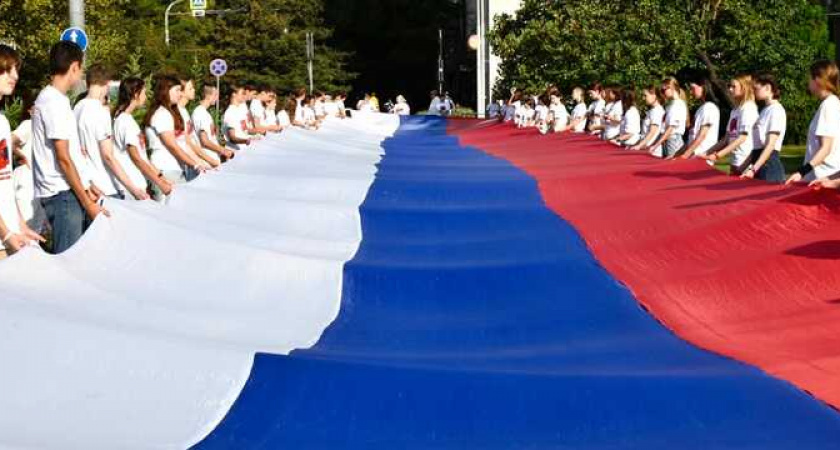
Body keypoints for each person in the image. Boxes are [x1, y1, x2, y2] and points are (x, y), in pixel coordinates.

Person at [32, 41, 107, 254]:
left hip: (66, 192)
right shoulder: (53, 102)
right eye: (81, 69)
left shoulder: (55, 99)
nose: (81, 75)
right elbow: (63, 158)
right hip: (62, 194)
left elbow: (70, 152)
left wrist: (86, 184)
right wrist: (87, 203)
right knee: (68, 261)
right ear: (74, 67)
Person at [75, 65, 148, 201]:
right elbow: (108, 156)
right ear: (107, 84)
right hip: (106, 186)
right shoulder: (100, 112)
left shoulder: (77, 108)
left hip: (88, 185)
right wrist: (133, 189)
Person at [0, 45, 44, 258]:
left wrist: (20, 225)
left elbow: (5, 182)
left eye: (16, 70)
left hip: (10, 236)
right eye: (7, 70)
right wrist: (6, 233)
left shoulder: (2, 122)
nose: (15, 76)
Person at [144, 74, 203, 201]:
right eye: (177, 90)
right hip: (165, 169)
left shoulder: (170, 112)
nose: (180, 94)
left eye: (181, 90)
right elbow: (172, 146)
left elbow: (183, 143)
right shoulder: (161, 114)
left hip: (175, 169)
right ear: (165, 91)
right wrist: (195, 164)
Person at [113, 77, 172, 200]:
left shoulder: (127, 119)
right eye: (144, 93)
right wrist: (160, 183)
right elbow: (136, 157)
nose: (146, 97)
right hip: (132, 189)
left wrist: (161, 177)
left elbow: (142, 156)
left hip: (138, 185)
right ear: (136, 94)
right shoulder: (124, 121)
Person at [792, 60, 840, 186]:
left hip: (822, 178)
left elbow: (826, 148)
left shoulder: (828, 106)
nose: (808, 82)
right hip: (824, 177)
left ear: (818, 80)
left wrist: (802, 172)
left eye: (809, 78)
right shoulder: (832, 103)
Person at [703, 75, 758, 175]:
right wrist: (706, 153)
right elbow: (726, 138)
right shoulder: (735, 110)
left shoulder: (748, 108)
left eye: (734, 86)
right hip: (735, 160)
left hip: (744, 161)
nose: (730, 89)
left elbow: (742, 138)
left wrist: (718, 155)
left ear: (744, 88)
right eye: (729, 86)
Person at [11, 92, 47, 232]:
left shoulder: (45, 129)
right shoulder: (28, 124)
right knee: (23, 225)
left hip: (40, 182)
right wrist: (22, 155)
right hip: (26, 180)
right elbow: (8, 140)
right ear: (30, 110)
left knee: (36, 226)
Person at [742, 74, 786, 183]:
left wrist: (753, 169)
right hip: (759, 166)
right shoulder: (764, 110)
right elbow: (757, 148)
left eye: (756, 88)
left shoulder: (776, 110)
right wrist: (741, 168)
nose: (753, 92)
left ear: (767, 88)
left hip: (769, 169)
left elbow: (770, 145)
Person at [178, 78, 217, 179]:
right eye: (190, 88)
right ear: (181, 92)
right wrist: (204, 162)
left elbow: (192, 141)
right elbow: (188, 143)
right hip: (190, 164)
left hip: (196, 162)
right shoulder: (179, 112)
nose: (194, 90)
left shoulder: (184, 111)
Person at [676, 77, 720, 160]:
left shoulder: (709, 108)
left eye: (693, 88)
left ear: (703, 87)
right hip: (693, 156)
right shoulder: (701, 109)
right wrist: (676, 155)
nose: (691, 92)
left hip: (701, 157)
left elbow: (702, 135)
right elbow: (691, 137)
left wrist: (685, 155)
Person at [193, 83, 235, 164]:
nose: (217, 98)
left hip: (213, 159)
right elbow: (204, 141)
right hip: (207, 162)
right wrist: (223, 151)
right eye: (215, 95)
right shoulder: (200, 113)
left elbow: (211, 138)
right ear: (208, 96)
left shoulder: (204, 112)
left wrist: (221, 153)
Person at [647, 77, 688, 158]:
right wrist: (654, 144)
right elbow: (664, 128)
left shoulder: (678, 105)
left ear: (671, 87)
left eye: (664, 90)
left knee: (672, 164)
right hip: (667, 140)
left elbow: (670, 128)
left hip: (674, 140)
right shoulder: (670, 105)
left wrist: (655, 145)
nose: (663, 93)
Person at [631, 85, 665, 155]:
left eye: (645, 95)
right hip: (647, 148)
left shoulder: (656, 111)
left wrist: (639, 145)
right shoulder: (653, 110)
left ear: (654, 96)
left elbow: (652, 132)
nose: (643, 98)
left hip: (651, 150)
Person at [223, 83, 252, 151]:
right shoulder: (230, 112)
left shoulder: (240, 110)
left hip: (244, 149)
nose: (244, 96)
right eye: (242, 93)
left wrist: (253, 137)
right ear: (234, 94)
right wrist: (245, 141)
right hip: (235, 151)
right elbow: (232, 137)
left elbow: (244, 131)